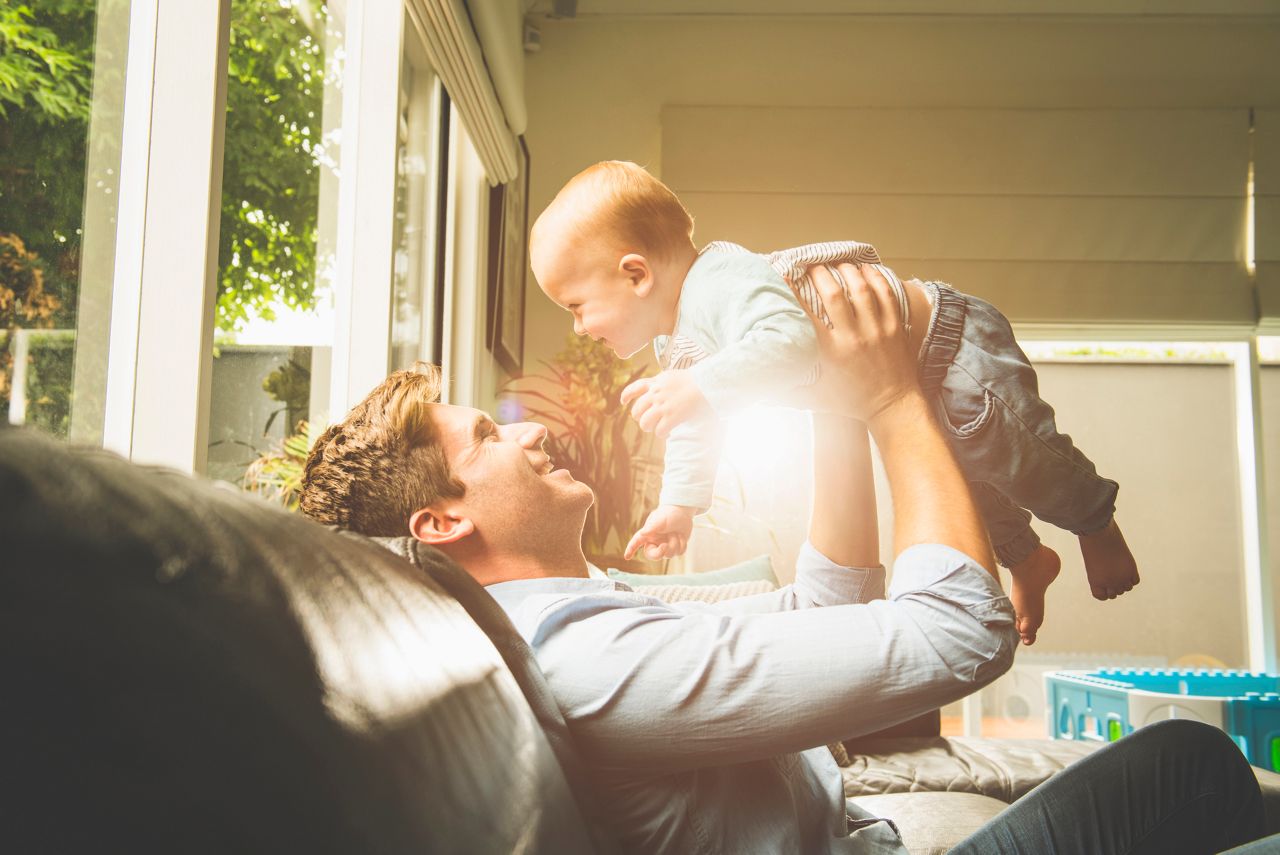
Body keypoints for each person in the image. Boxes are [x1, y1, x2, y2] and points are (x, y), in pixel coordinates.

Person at [299, 261, 1263, 854]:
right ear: (440, 521)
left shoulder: (579, 606)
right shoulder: (590, 663)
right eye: (487, 438)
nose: (529, 434)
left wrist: (830, 404)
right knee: (1188, 759)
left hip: (851, 827)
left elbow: (820, 604)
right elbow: (962, 635)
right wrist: (891, 400)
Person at [528, 159, 1139, 645]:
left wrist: (700, 387)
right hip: (903, 371)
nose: (578, 328)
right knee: (970, 480)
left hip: (948, 344)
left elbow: (788, 343)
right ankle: (1027, 559)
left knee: (1015, 454)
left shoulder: (719, 280)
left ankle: (1095, 520)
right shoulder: (677, 341)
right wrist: (681, 505)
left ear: (636, 274)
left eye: (576, 306)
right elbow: (698, 419)